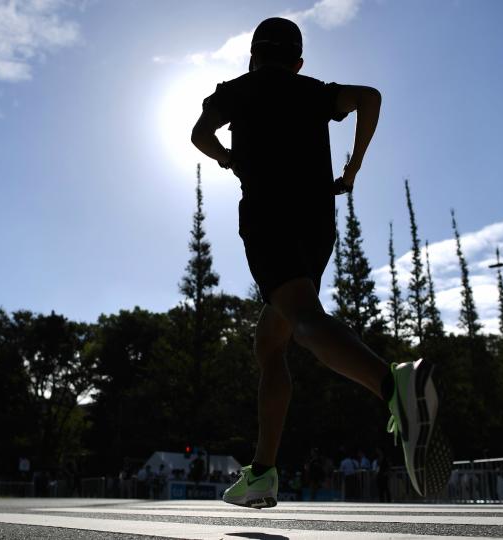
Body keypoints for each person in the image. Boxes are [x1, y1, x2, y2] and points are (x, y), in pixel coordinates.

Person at [191, 16, 450, 509]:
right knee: (270, 341)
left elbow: (199, 135)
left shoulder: (235, 90)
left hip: (269, 215)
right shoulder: (312, 90)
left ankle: (393, 386)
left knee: (305, 319)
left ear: (252, 55)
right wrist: (351, 169)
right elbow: (370, 97)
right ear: (298, 61)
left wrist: (228, 158)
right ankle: (263, 472)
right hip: (317, 222)